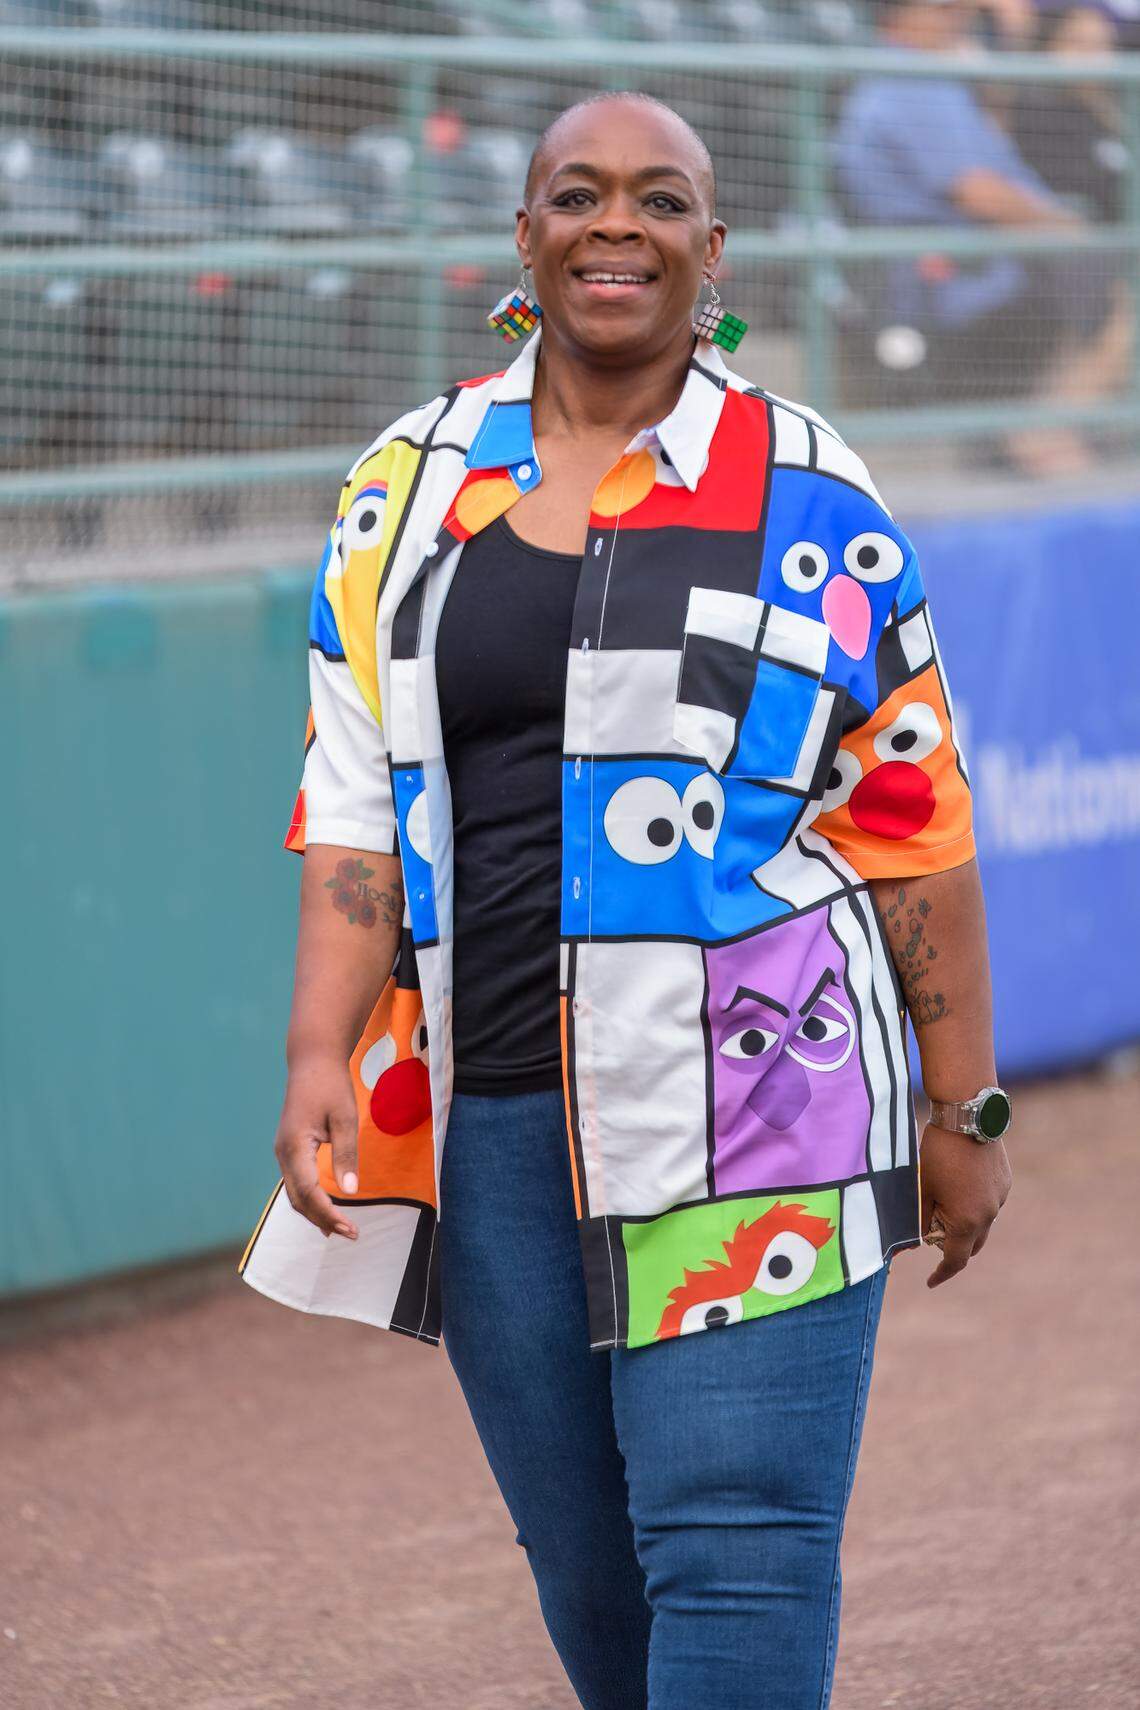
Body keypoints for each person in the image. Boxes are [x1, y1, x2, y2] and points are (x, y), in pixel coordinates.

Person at [240, 92, 1013, 1710]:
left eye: (659, 201)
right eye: (577, 195)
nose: (617, 225)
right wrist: (319, 1052)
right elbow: (351, 799)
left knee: (735, 1550)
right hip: (494, 1114)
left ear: (711, 252)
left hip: (769, 1096)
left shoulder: (807, 485)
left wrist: (965, 1109)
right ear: (523, 236)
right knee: (592, 1575)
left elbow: (908, 815)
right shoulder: (407, 484)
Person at [832, 0, 1101, 476]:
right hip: (940, 275)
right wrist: (1069, 230)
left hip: (978, 257)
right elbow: (978, 193)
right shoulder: (908, 79)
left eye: (961, 12)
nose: (957, 20)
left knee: (1098, 268)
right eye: (944, 10)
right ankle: (1041, 436)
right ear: (898, 15)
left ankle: (1047, 429)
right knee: (1099, 271)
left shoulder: (940, 78)